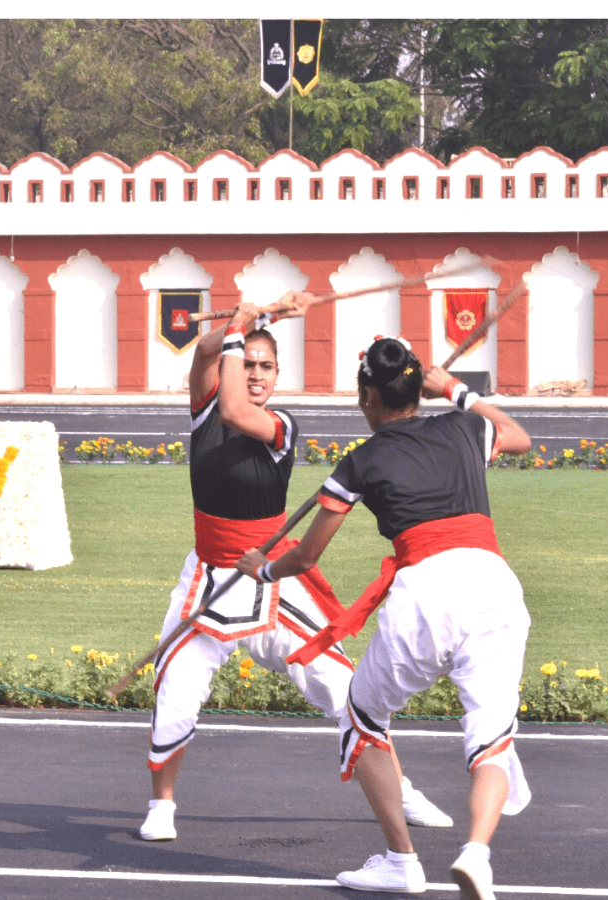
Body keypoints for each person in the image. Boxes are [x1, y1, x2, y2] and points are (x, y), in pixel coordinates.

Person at [140, 301, 451, 843]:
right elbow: (209, 352)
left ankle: (401, 790)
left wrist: (244, 328)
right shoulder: (203, 406)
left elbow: (239, 412)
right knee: (176, 688)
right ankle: (162, 803)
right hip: (210, 578)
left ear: (277, 376)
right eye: (250, 364)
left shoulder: (281, 425)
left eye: (267, 367)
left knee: (346, 687)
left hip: (273, 577)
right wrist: (244, 322)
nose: (256, 374)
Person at [236, 335, 532, 899]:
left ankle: (402, 862)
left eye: (359, 394)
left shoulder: (361, 461)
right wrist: (457, 391)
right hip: (494, 584)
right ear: (418, 387)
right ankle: (477, 852)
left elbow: (306, 556)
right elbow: (518, 438)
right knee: (493, 736)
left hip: (425, 592)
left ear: (370, 396)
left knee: (363, 714)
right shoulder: (464, 427)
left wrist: (264, 571)